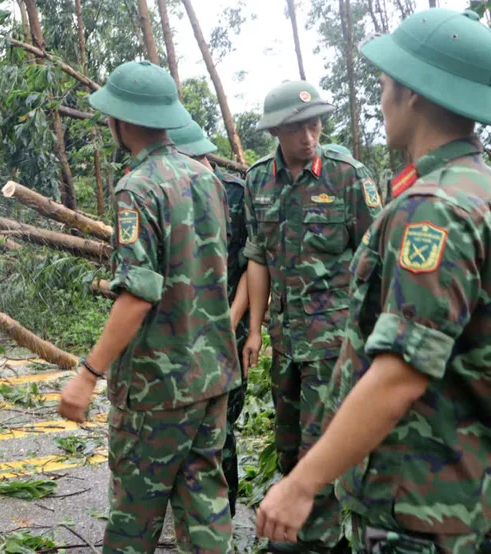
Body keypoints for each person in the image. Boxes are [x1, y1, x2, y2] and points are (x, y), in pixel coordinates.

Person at [256, 8, 491, 552]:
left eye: (384, 83)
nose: (380, 98)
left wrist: (302, 484)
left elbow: (400, 372)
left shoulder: (433, 209)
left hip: (424, 506)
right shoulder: (475, 188)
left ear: (412, 93)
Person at [58, 61, 240, 553]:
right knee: (204, 502)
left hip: (158, 385)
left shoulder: (138, 189)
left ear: (121, 120)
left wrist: (88, 373)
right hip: (213, 372)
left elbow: (138, 295)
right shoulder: (208, 180)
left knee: (134, 514)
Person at [242, 80, 381, 551]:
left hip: (332, 342)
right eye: (298, 128)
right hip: (285, 339)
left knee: (318, 442)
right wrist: (256, 328)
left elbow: (375, 258)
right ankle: (303, 527)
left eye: (316, 124)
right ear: (277, 131)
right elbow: (257, 254)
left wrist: (366, 340)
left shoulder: (347, 176)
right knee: (287, 444)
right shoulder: (259, 179)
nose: (309, 136)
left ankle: (318, 540)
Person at [168, 119, 250, 517]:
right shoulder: (168, 192)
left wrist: (232, 326)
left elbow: (253, 262)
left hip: (228, 328)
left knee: (222, 423)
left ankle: (224, 511)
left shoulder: (235, 193)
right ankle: (190, 507)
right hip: (182, 332)